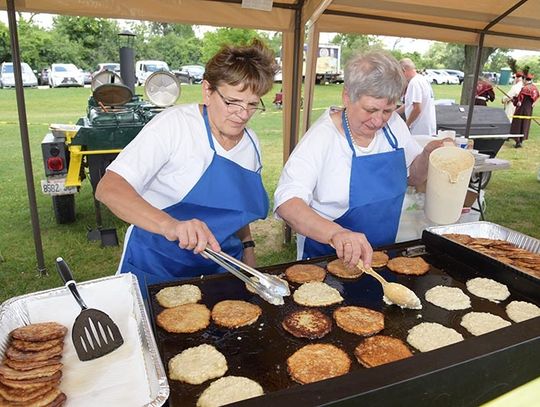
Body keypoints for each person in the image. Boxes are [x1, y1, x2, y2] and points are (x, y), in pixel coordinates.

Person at [95, 39, 277, 293]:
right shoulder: (174, 126)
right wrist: (171, 225)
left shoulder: (251, 143)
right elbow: (109, 189)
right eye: (232, 102)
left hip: (222, 269)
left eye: (252, 104)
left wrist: (248, 254)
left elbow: (238, 210)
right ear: (207, 91)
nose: (243, 114)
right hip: (157, 268)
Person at [273, 51, 448, 269]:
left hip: (381, 257)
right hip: (328, 261)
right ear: (347, 96)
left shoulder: (394, 126)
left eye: (387, 110)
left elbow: (413, 176)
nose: (378, 121)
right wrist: (336, 233)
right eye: (370, 109)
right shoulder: (322, 138)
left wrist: (427, 155)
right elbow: (287, 203)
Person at [396, 58, 436, 136]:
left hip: (419, 129)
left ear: (403, 70)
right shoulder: (422, 79)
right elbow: (409, 104)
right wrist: (394, 113)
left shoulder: (414, 83)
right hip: (428, 127)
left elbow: (417, 108)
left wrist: (406, 125)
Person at [510, 72, 539, 148]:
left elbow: (519, 101)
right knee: (525, 124)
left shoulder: (525, 88)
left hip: (522, 109)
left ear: (525, 79)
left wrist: (514, 99)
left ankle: (518, 141)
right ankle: (521, 140)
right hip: (529, 109)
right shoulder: (534, 88)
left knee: (518, 124)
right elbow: (536, 98)